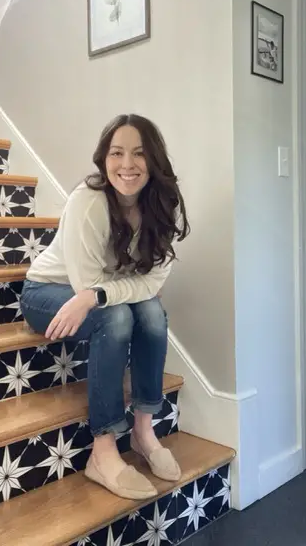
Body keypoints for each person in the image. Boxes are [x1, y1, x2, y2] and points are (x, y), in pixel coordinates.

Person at [20, 114, 189, 501]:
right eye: (117, 153)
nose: (127, 164)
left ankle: (143, 430)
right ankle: (103, 449)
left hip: (94, 295)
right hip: (46, 292)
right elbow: (85, 287)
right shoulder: (88, 201)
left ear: (154, 160)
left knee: (151, 312)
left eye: (139, 153)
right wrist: (97, 296)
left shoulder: (164, 204)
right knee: (116, 316)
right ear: (104, 158)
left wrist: (98, 296)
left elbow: (152, 284)